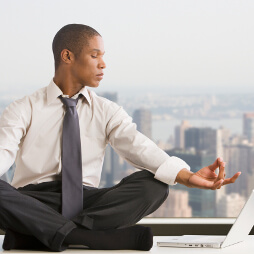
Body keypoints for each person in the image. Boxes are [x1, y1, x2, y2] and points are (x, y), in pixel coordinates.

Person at [0, 24, 241, 252]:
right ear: (67, 56)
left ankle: (42, 233)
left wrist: (187, 177)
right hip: (32, 201)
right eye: (95, 55)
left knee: (154, 186)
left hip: (88, 203)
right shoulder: (23, 109)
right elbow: (3, 152)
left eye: (103, 56)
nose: (103, 64)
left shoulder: (107, 110)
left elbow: (138, 147)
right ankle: (84, 237)